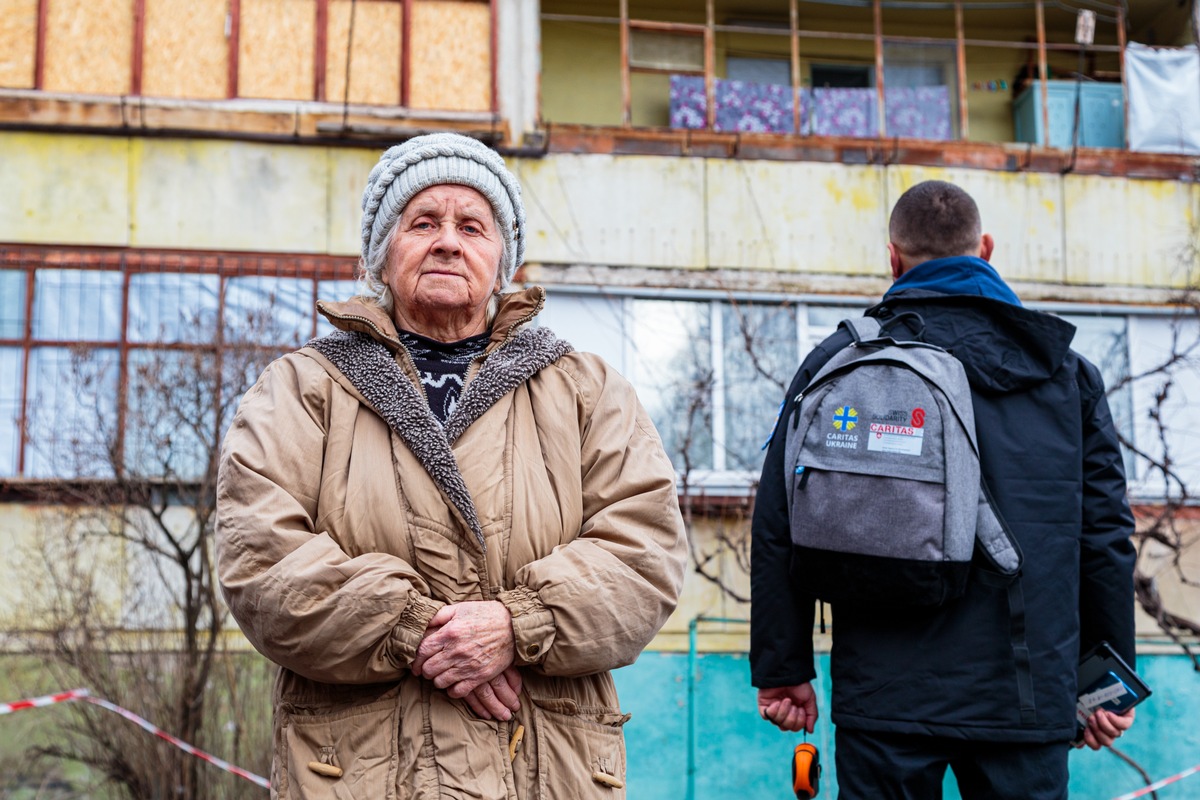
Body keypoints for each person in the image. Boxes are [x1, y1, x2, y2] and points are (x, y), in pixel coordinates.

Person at [216, 132, 688, 799]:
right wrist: (413, 629)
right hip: (356, 771)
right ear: (383, 254)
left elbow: (647, 554)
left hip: (546, 766)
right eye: (423, 223)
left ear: (503, 259)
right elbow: (261, 559)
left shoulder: (585, 390)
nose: (447, 241)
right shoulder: (303, 389)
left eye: (472, 225)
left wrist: (516, 624)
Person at [750, 180, 1137, 799]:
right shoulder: (1065, 374)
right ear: (985, 249)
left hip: (883, 693)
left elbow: (777, 523)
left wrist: (784, 667)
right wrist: (1104, 682)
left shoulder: (842, 361)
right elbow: (1107, 537)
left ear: (893, 258)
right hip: (1026, 690)